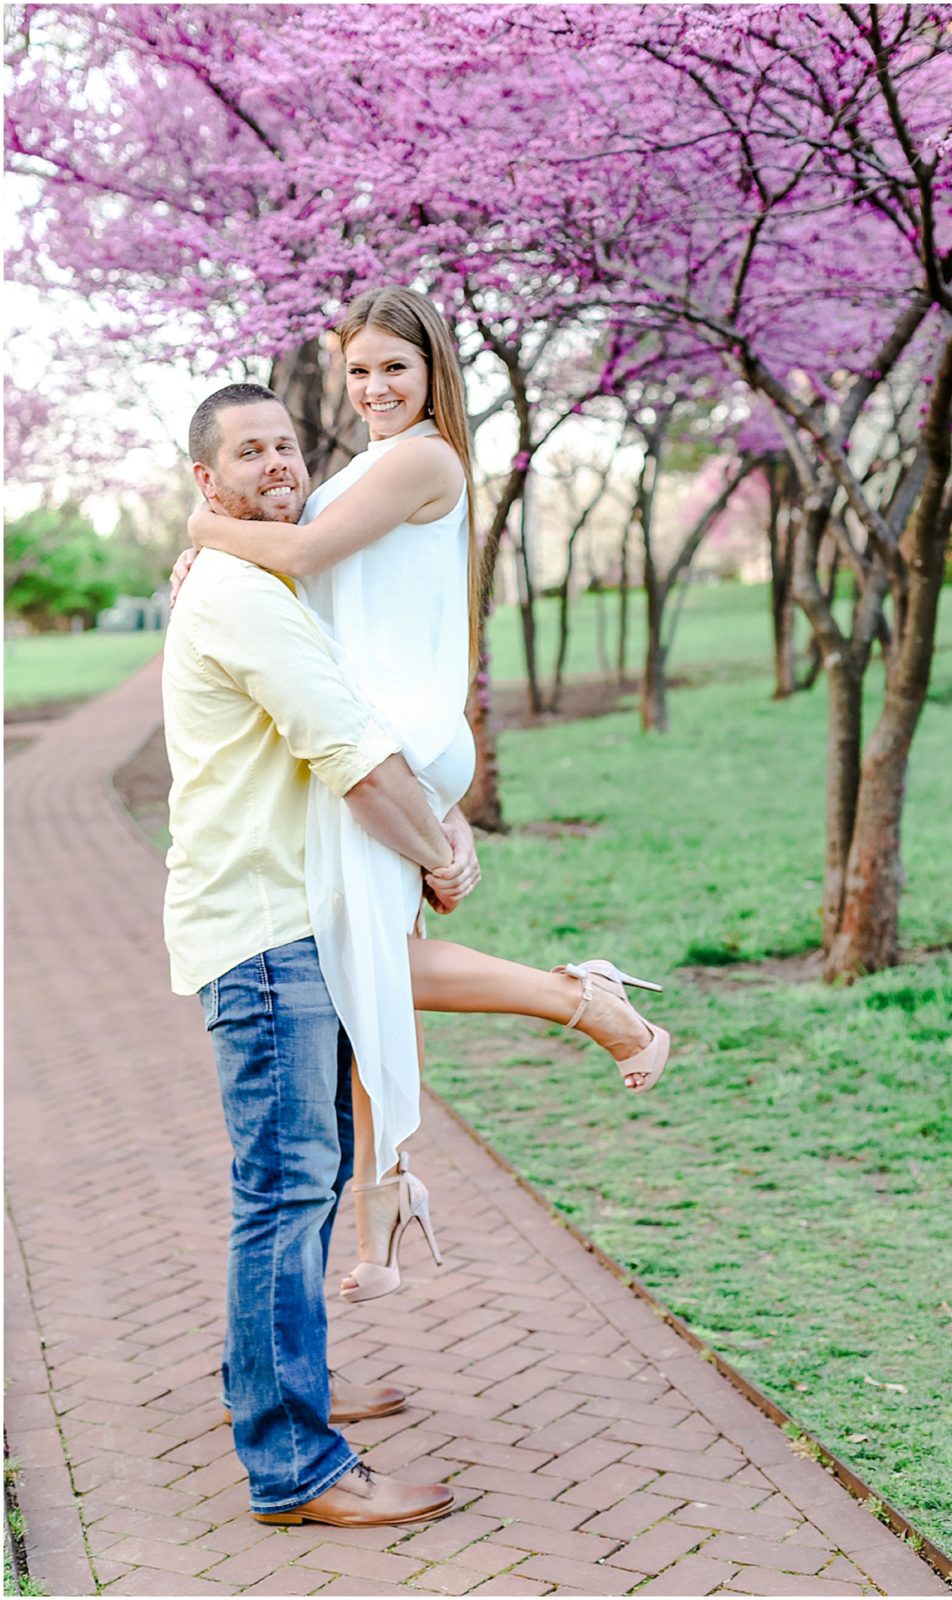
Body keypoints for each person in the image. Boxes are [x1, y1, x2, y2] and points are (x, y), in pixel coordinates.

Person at [180, 286, 670, 1308]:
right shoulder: (367, 465)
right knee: (360, 978)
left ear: (435, 370)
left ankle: (589, 1005)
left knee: (368, 962)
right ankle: (381, 1217)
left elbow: (306, 554)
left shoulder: (424, 457)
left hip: (389, 728)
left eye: (395, 367)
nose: (375, 388)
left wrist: (200, 529)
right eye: (358, 371)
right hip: (387, 726)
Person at [163, 382, 464, 1529]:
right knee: (284, 1194)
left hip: (286, 925)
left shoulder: (259, 580)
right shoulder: (243, 594)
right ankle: (295, 1464)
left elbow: (367, 725)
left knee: (303, 1180)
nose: (278, 464)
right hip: (266, 934)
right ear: (209, 482)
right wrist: (440, 856)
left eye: (288, 444)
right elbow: (354, 758)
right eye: (250, 451)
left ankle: (278, 1381)